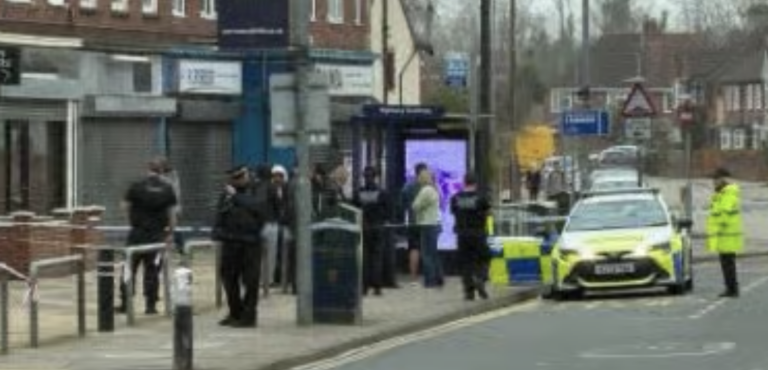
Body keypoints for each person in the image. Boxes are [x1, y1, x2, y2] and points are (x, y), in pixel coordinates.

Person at [117, 158, 178, 315]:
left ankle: (125, 302)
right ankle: (150, 305)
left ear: (148, 169)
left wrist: (133, 220)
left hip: (136, 234)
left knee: (128, 268)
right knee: (153, 270)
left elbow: (124, 206)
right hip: (157, 235)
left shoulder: (136, 185)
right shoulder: (167, 189)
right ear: (162, 171)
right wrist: (170, 233)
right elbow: (172, 214)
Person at [212, 165, 264, 327]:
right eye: (234, 178)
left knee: (250, 281)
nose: (237, 181)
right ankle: (235, 312)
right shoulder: (227, 194)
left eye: (240, 177)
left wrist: (235, 197)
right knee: (228, 278)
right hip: (231, 242)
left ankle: (249, 317)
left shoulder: (257, 189)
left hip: (250, 243)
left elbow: (258, 208)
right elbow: (220, 213)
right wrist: (216, 230)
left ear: (247, 175)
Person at [451, 173, 492, 301]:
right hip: (478, 233)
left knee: (466, 263)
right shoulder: (481, 198)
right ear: (475, 183)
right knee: (485, 258)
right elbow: (488, 212)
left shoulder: (455, 198)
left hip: (462, 235)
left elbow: (453, 212)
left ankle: (469, 292)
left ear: (464, 182)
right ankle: (480, 278)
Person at [706, 167, 743, 298]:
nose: (713, 182)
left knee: (728, 264)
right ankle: (731, 288)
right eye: (713, 179)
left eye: (715, 179)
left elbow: (724, 214)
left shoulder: (728, 194)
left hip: (727, 235)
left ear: (723, 179)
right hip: (724, 236)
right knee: (727, 264)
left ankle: (732, 289)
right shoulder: (721, 194)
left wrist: (717, 227)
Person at [353, 166, 389, 296]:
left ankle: (364, 287)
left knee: (365, 258)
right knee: (377, 257)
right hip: (378, 227)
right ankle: (377, 287)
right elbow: (387, 211)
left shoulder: (359, 192)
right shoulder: (382, 192)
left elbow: (355, 209)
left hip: (364, 227)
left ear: (364, 177)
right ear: (375, 176)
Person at [412, 168, 444, 288]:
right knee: (433, 253)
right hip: (435, 224)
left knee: (427, 254)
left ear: (423, 178)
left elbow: (415, 206)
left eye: (419, 176)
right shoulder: (435, 189)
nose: (417, 179)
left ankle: (430, 281)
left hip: (427, 225)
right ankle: (439, 277)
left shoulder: (425, 190)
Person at [401, 163, 428, 285]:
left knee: (414, 249)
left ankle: (413, 278)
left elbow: (401, 203)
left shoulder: (408, 186)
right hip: (427, 221)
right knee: (428, 249)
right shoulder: (428, 187)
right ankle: (429, 276)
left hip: (413, 222)